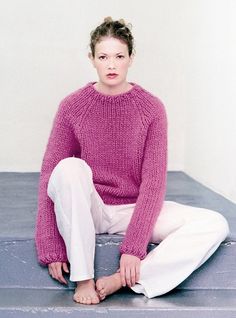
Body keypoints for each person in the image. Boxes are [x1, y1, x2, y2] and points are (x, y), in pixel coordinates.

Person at [35, 16, 229, 305]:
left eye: (118, 56)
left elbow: (154, 182)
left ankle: (123, 280)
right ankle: (84, 278)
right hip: (91, 207)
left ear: (131, 58)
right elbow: (50, 175)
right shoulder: (72, 107)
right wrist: (50, 244)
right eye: (103, 56)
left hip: (133, 210)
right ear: (91, 58)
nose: (111, 65)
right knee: (67, 168)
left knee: (215, 223)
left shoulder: (151, 108)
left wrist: (134, 247)